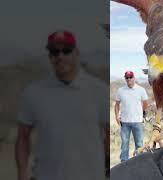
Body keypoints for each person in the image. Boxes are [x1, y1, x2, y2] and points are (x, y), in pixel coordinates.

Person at [15, 30, 108, 180]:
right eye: (54, 52)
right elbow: (22, 136)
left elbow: (108, 134)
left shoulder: (99, 91)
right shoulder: (33, 92)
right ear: (50, 56)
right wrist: (22, 174)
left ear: (76, 53)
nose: (60, 56)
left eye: (66, 51)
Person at [114, 71, 148, 162]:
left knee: (139, 144)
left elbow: (145, 103)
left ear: (134, 78)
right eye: (127, 77)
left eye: (130, 77)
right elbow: (117, 105)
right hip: (124, 122)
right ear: (125, 78)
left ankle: (139, 163)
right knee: (124, 144)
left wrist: (143, 112)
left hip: (137, 122)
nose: (129, 79)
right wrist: (117, 116)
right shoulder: (120, 90)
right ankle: (123, 163)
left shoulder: (141, 90)